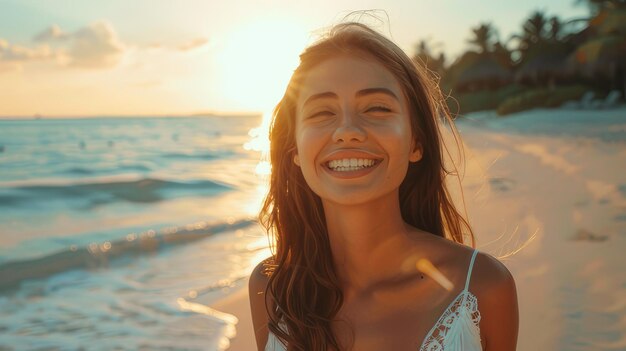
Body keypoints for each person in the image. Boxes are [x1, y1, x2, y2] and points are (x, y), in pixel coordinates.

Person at [249, 21, 519, 351]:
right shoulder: (273, 288)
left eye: (377, 108)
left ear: (415, 142)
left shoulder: (481, 287)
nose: (347, 131)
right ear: (294, 149)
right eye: (322, 112)